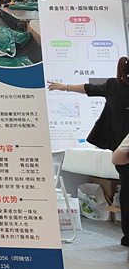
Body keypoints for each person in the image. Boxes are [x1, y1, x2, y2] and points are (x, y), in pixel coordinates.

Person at [48, 57, 129, 247]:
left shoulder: (113, 86)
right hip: (123, 146)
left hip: (122, 148)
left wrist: (63, 87)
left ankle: (127, 236)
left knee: (126, 192)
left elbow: (88, 88)